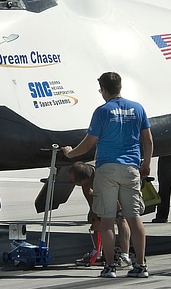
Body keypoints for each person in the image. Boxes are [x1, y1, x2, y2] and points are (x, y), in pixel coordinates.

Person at [61, 72, 153, 278]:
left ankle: (110, 266)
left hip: (107, 169)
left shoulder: (102, 111)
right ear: (120, 86)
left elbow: (89, 142)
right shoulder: (138, 108)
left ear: (103, 89)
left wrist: (70, 153)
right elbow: (147, 140)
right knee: (134, 218)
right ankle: (140, 265)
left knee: (107, 220)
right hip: (131, 168)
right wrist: (146, 163)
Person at [68, 161, 132, 267]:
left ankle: (125, 255)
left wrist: (100, 217)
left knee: (120, 218)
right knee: (97, 219)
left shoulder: (103, 178)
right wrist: (93, 212)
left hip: (121, 187)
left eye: (75, 182)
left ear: (84, 180)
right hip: (104, 190)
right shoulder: (85, 174)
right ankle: (98, 252)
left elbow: (117, 205)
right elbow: (88, 192)